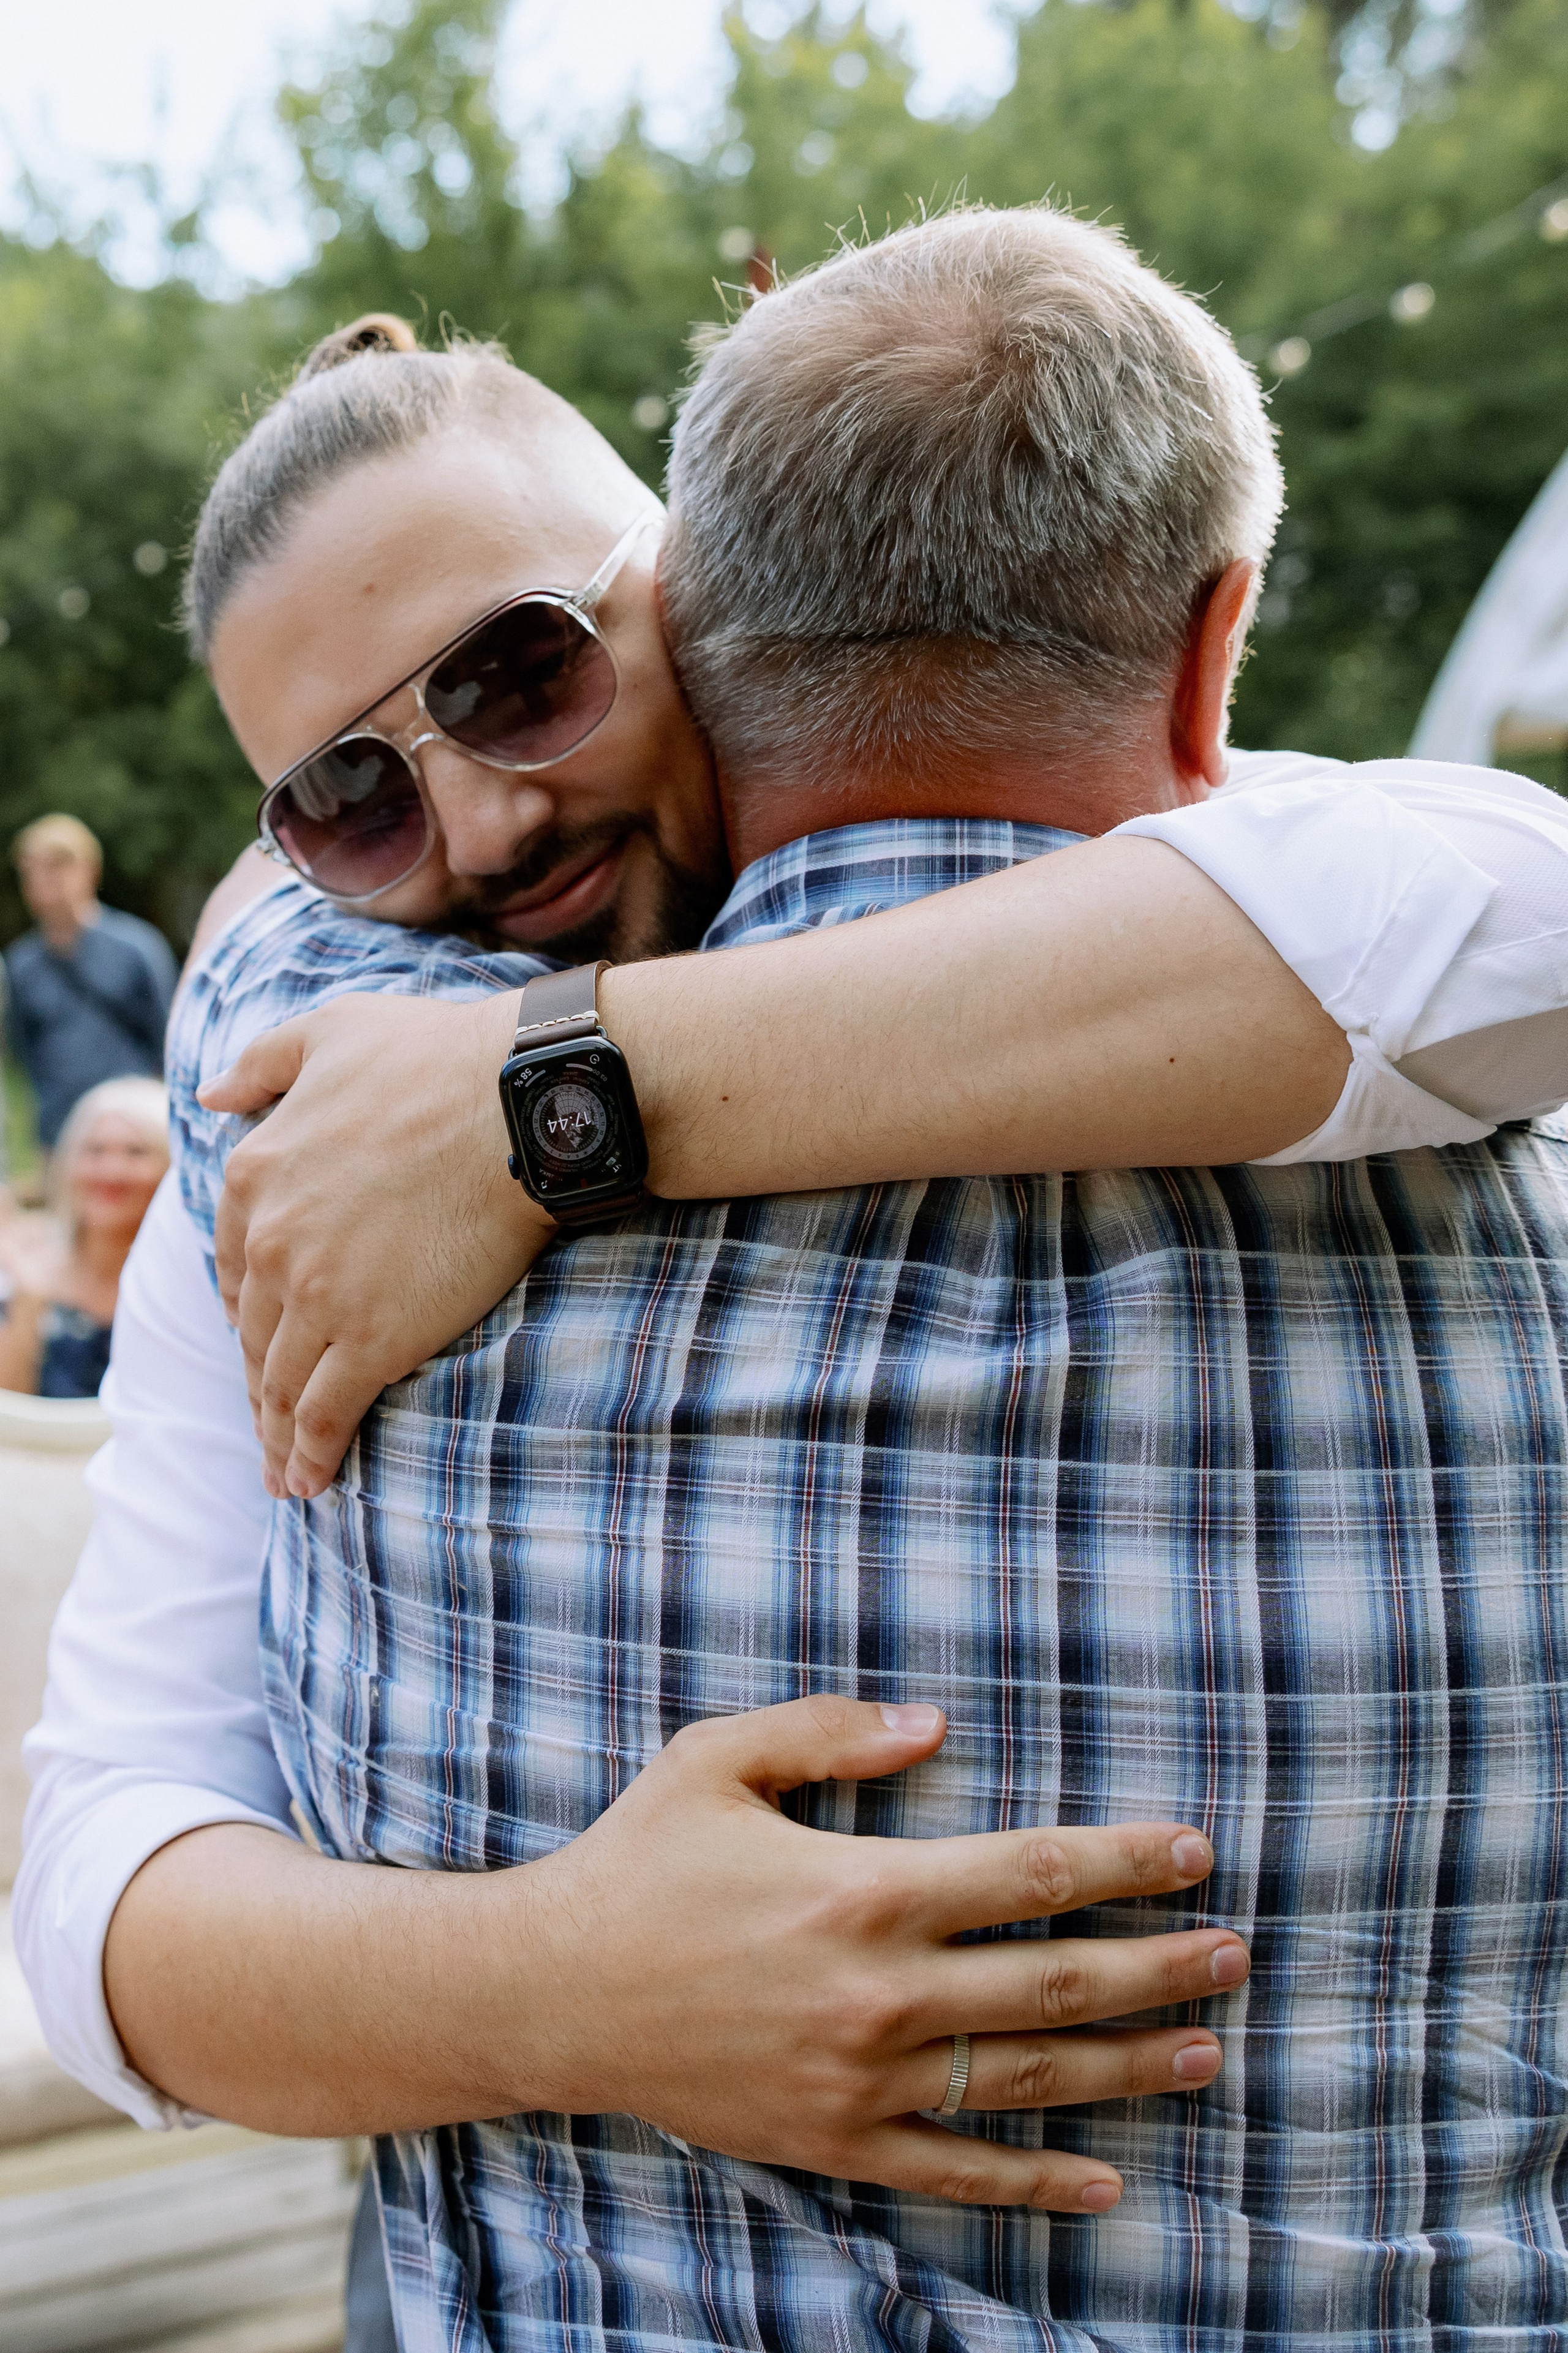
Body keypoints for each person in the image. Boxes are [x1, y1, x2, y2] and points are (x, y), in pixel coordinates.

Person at [18, 225, 1568, 2343]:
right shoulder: (295, 1075)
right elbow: (106, 1873)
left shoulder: (1249, 900)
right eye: (350, 800)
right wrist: (566, 1986)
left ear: (692, 590)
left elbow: (1509, 913)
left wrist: (557, 1099)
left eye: (519, 670)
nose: (476, 820)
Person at [5, 815, 177, 1153]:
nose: (44, 881)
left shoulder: (137, 948)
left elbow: (169, 1043)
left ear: (90, 871)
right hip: (60, 1137)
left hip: (132, 1138)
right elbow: (24, 1053)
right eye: (33, 871)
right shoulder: (21, 965)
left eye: (57, 867)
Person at [0, 1075, 168, 1397]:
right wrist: (27, 1303)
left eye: (136, 1153)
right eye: (94, 1151)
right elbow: (10, 1410)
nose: (111, 1171)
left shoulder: (191, 1281)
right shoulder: (27, 1264)